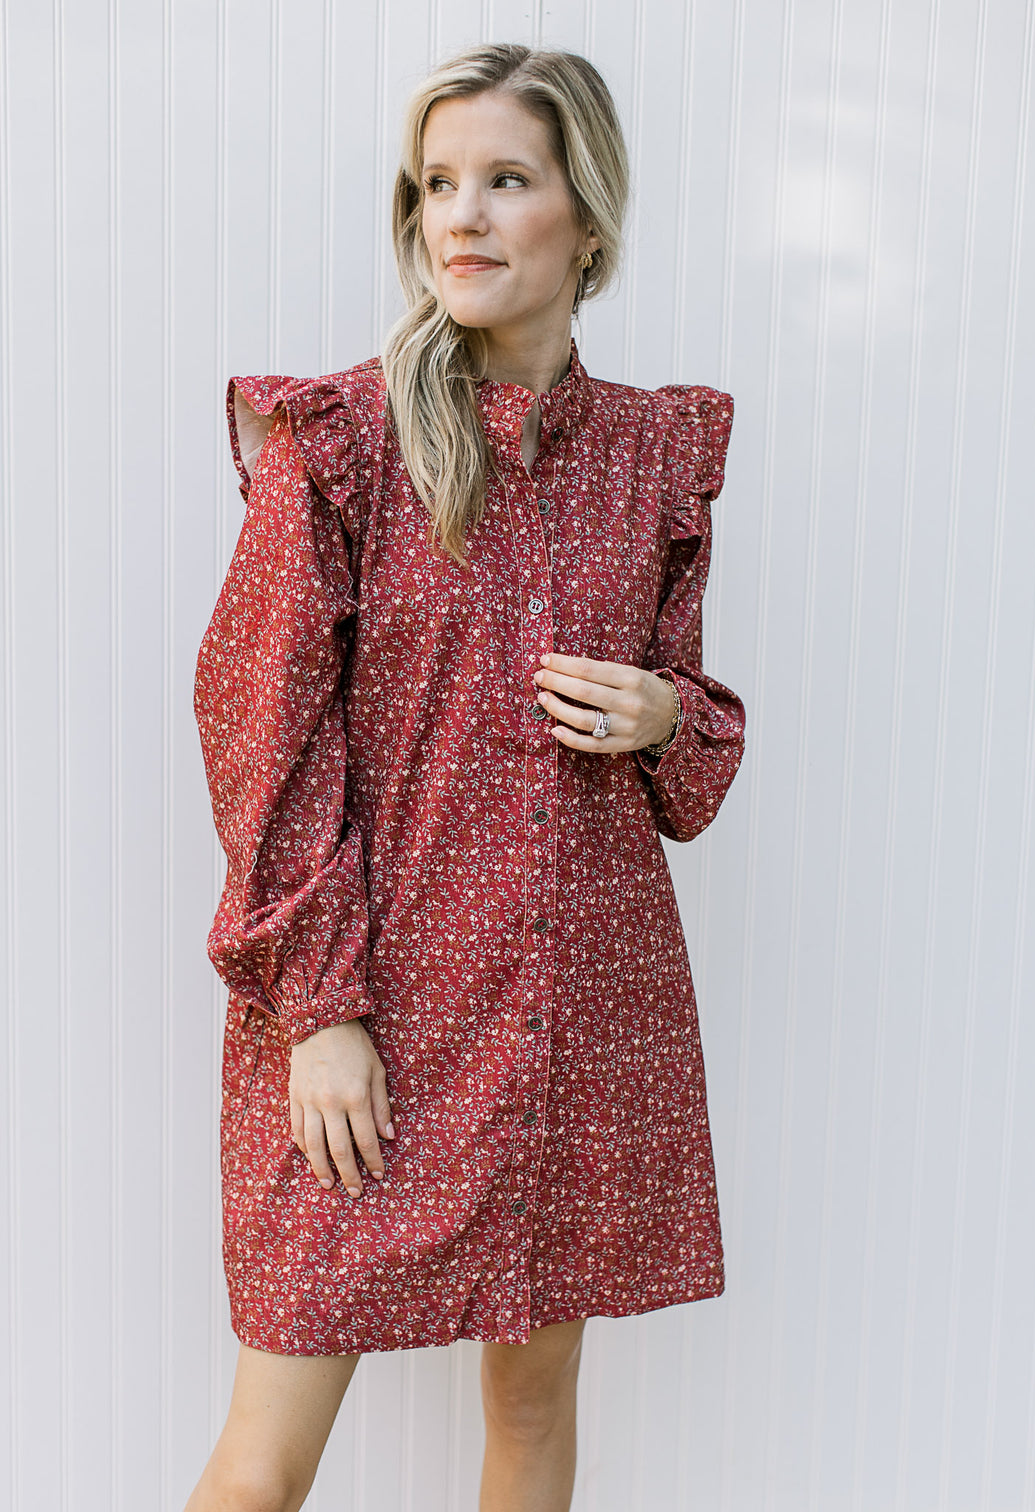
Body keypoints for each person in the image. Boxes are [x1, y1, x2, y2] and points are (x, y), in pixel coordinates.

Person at [186, 40, 745, 1512]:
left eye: (507, 180)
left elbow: (692, 756)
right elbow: (259, 732)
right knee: (264, 1461)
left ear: (590, 222)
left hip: (574, 1015)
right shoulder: (344, 442)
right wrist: (321, 1012)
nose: (463, 219)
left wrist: (660, 717)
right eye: (438, 184)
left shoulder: (653, 455)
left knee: (534, 1409)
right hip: (365, 1023)